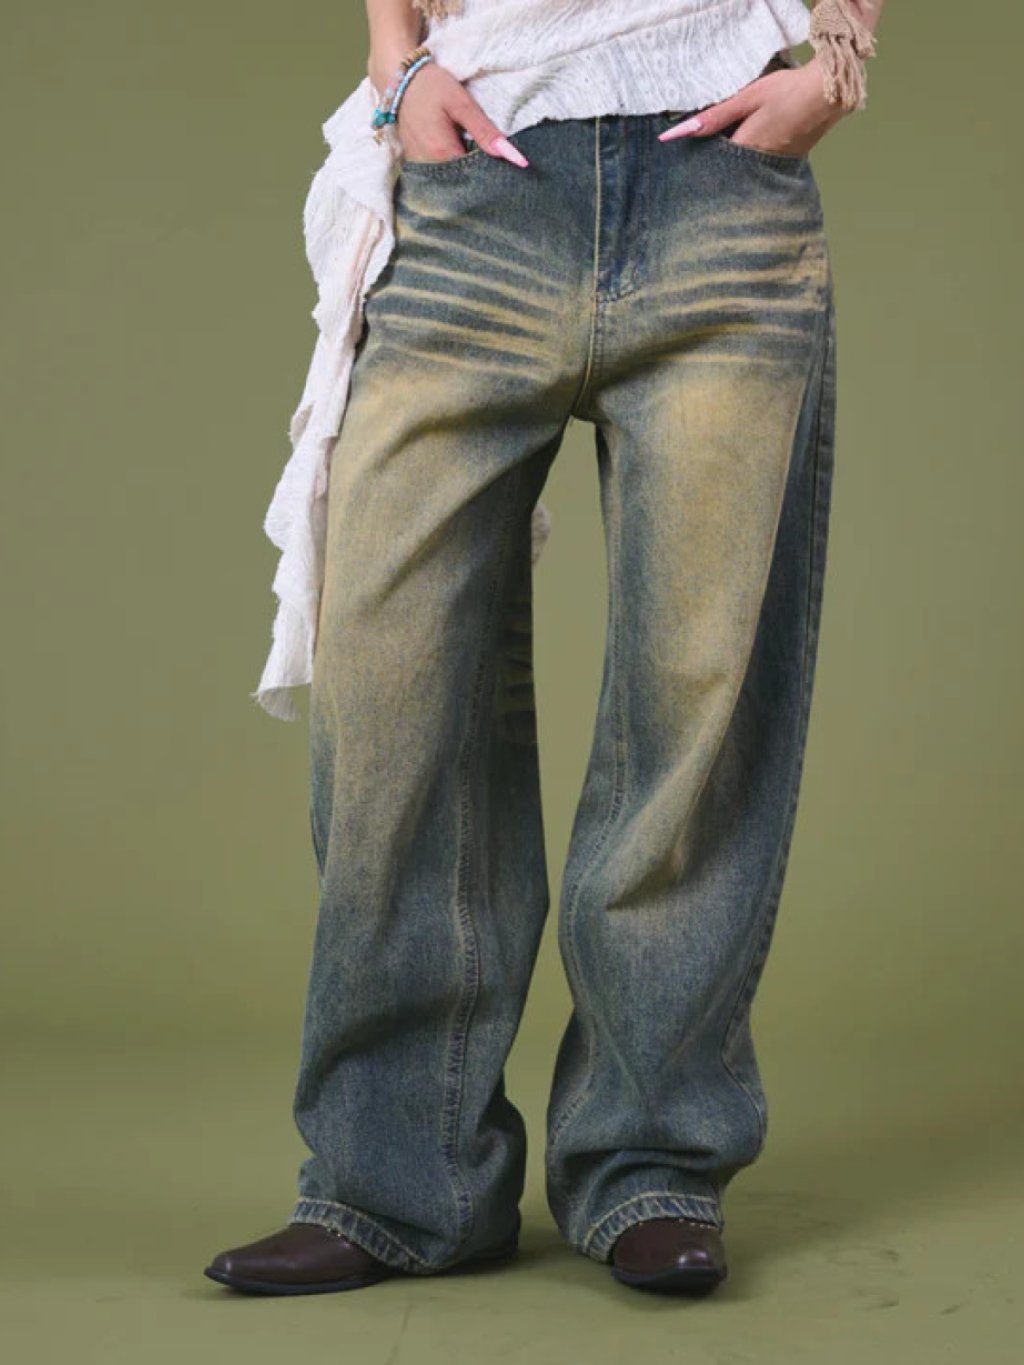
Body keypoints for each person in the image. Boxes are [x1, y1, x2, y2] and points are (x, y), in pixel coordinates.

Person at [207, 0, 885, 1298]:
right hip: (476, 183)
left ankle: (650, 1161)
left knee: (698, 701)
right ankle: (397, 1178)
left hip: (724, 190)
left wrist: (839, 61)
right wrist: (395, 64)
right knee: (390, 696)